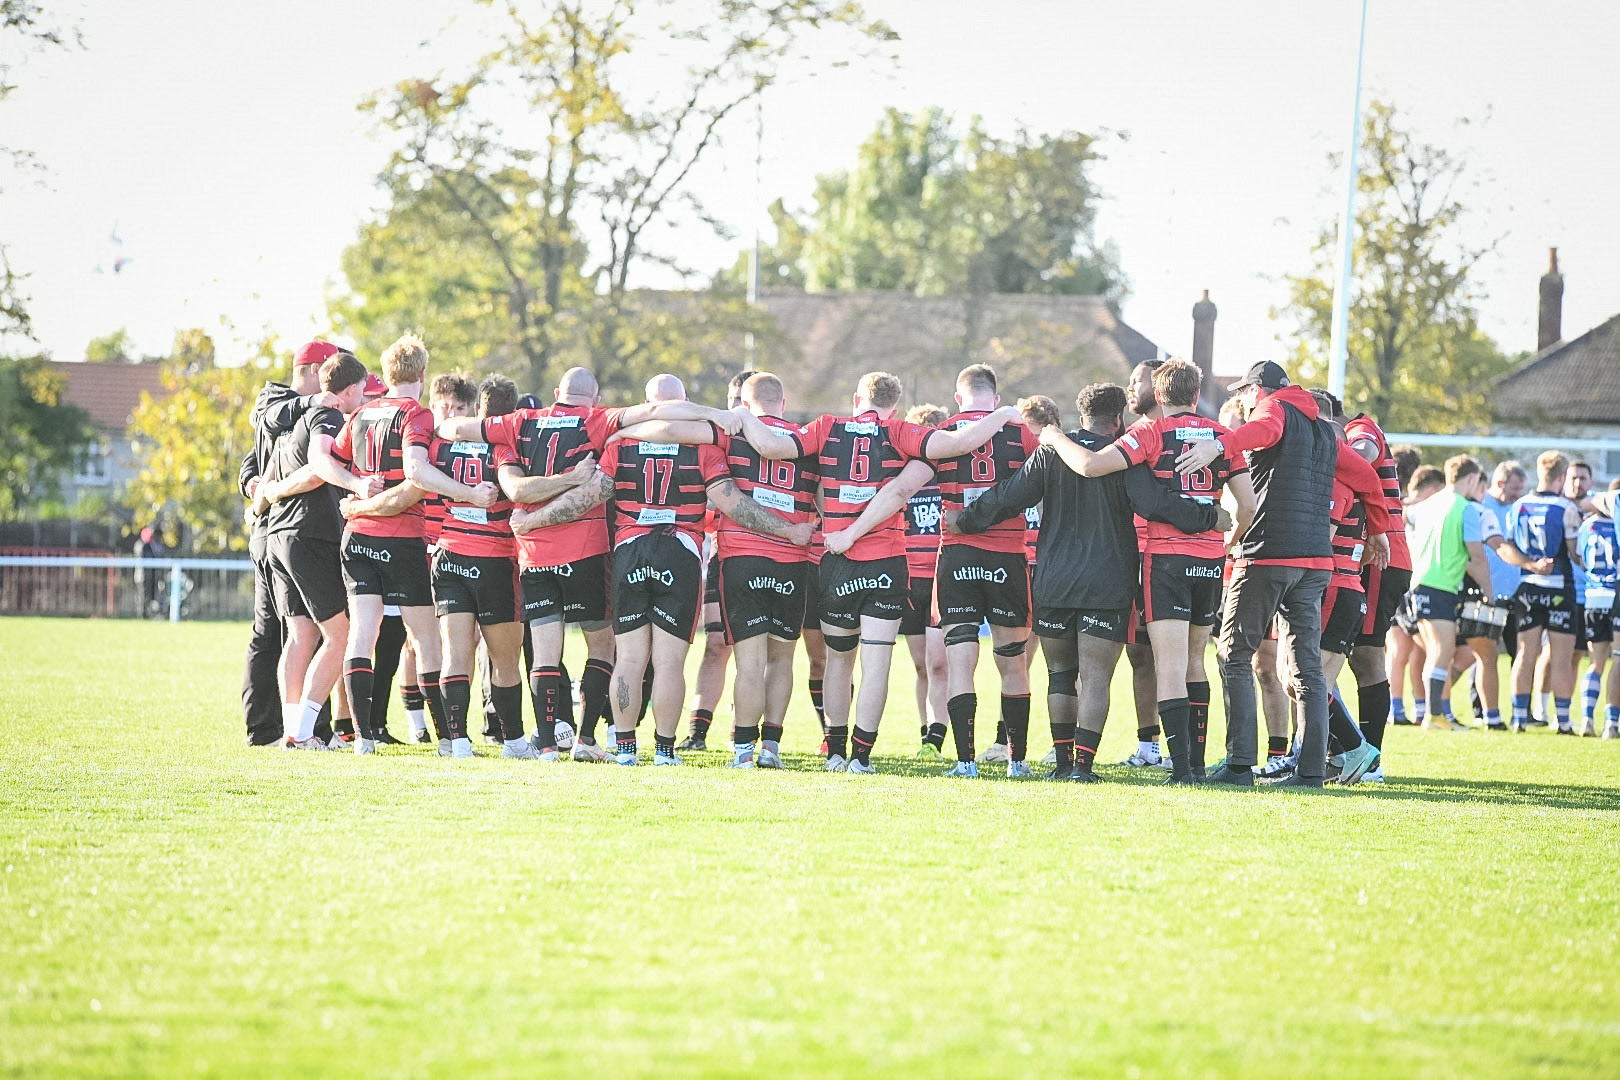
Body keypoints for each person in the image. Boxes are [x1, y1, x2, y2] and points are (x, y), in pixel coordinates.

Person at [509, 374, 812, 766]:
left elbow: (586, 497)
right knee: (669, 662)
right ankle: (666, 751)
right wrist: (787, 529)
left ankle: (625, 749)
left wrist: (534, 521)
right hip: (680, 551)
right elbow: (732, 501)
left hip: (631, 551)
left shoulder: (622, 444)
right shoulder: (704, 447)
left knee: (630, 660)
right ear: (685, 403)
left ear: (646, 403)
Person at [742, 371, 1024, 773]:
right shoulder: (901, 432)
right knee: (877, 664)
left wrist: (737, 416)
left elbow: (771, 446)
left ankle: (835, 752)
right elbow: (960, 442)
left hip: (838, 559)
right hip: (886, 562)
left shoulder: (826, 427)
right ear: (895, 403)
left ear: (856, 398)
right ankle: (860, 757)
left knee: (839, 661)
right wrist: (1004, 413)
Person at [948, 384, 1225, 781]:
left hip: (1054, 579)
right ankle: (1082, 766)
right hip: (1107, 580)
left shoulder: (1051, 452)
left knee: (1060, 673)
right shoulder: (1126, 456)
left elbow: (1008, 497)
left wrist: (966, 520)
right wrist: (1209, 518)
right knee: (1096, 676)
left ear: (1081, 417)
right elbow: (1155, 505)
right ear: (1117, 420)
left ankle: (1061, 764)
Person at [439, 367, 690, 760]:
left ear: (557, 392)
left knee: (544, 654)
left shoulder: (521, 421)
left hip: (533, 554)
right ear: (595, 396)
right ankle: (586, 740)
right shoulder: (596, 420)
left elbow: (454, 431)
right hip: (585, 550)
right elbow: (651, 413)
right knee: (603, 647)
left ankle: (545, 746)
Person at [1038, 359, 1257, 785]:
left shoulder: (1151, 432)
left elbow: (1091, 465)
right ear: (1196, 395)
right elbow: (1246, 506)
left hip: (1166, 560)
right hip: (1209, 562)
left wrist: (1054, 438)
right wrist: (1227, 545)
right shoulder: (1222, 436)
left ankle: (1181, 772)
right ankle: (1194, 762)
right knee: (1197, 661)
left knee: (1169, 665)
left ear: (1159, 396)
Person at [1176, 361, 1390, 788]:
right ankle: (1310, 771)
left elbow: (1265, 432)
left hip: (1268, 554)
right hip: (1313, 563)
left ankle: (1238, 766)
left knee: (1233, 654)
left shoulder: (1274, 409)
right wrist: (1378, 529)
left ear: (1259, 389)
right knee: (1307, 668)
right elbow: (1367, 477)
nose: (1242, 401)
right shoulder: (1322, 429)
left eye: (1244, 393)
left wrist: (1220, 445)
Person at [612, 372, 820, 769]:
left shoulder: (725, 435)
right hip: (789, 560)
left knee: (740, 661)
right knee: (780, 661)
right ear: (784, 399)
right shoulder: (806, 438)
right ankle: (766, 747)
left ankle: (730, 751)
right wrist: (799, 530)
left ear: (742, 401)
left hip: (737, 557)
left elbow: (669, 428)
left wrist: (616, 435)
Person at [341, 374, 539, 759]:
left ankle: (457, 741)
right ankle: (514, 741)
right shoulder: (505, 447)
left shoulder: (439, 446)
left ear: (478, 409)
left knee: (453, 653)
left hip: (447, 557)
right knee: (504, 657)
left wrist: (356, 505)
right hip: (494, 559)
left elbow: (413, 483)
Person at [325, 335, 497, 756]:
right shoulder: (416, 416)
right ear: (421, 376)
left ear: (383, 376)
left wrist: (353, 492)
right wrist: (469, 494)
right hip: (401, 540)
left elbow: (332, 458)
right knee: (426, 640)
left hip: (359, 538)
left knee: (363, 633)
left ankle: (363, 737)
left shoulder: (362, 413)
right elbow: (418, 472)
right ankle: (448, 739)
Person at [251, 351, 375, 750]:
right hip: (309, 534)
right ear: (352, 389)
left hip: (280, 535)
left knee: (301, 634)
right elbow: (321, 464)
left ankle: (292, 731)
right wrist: (357, 484)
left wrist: (266, 498)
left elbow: (269, 476)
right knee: (341, 635)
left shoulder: (291, 419)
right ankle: (303, 732)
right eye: (363, 392)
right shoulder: (329, 416)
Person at [929, 365, 1043, 778]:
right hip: (1008, 557)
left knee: (961, 663)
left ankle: (965, 762)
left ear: (959, 398)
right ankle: (1017, 761)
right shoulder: (1020, 433)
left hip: (958, 556)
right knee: (1013, 662)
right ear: (995, 400)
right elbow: (1045, 485)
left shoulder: (944, 431)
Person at [238, 339, 340, 746]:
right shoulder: (275, 399)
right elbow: (263, 425)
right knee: (272, 632)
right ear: (314, 370)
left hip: (283, 524)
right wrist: (257, 490)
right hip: (275, 531)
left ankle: (305, 727)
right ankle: (266, 727)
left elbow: (251, 462)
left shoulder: (304, 413)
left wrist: (255, 484)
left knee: (304, 630)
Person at [680, 369, 756, 752]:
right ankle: (697, 733)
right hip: (722, 554)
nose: (738, 411)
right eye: (733, 402)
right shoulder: (715, 438)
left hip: (775, 556)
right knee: (715, 643)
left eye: (746, 403)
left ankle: (757, 736)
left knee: (766, 650)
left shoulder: (777, 440)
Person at [1342, 402, 1413, 755]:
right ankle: (1356, 753)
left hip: (1380, 558)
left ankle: (1369, 757)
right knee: (1355, 655)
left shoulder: (1359, 427)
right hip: (1375, 555)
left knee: (1366, 655)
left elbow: (1363, 452)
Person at [1507, 452, 1583, 734]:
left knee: (1526, 653)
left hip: (1529, 587)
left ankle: (1518, 718)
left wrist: (1531, 564)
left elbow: (1509, 547)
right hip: (1559, 588)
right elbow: (1574, 553)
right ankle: (1563, 722)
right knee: (1562, 656)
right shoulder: (1567, 508)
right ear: (1562, 477)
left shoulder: (1519, 506)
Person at [899, 403, 949, 762]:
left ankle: (938, 734)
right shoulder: (904, 477)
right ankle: (925, 733)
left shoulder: (948, 476)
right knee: (920, 666)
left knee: (939, 663)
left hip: (939, 578)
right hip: (908, 580)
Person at [1389, 465, 1445, 725]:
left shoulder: (1409, 507)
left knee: (1412, 650)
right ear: (1433, 489)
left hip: (1406, 581)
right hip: (1407, 583)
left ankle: (1417, 708)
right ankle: (1407, 708)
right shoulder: (1411, 509)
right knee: (1409, 649)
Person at [1477, 461, 1529, 729]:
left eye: (1520, 489)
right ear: (1499, 483)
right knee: (1482, 654)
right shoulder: (1481, 505)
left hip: (1515, 594)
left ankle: (1522, 710)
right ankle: (1480, 709)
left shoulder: (1519, 509)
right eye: (1513, 489)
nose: (1516, 494)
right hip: (1486, 594)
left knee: (1518, 653)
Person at [1575, 487, 1617, 736]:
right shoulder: (1618, 523)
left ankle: (1586, 719)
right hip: (1615, 593)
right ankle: (1612, 722)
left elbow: (1580, 557)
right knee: (1619, 660)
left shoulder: (1587, 526)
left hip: (1593, 597)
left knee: (1595, 662)